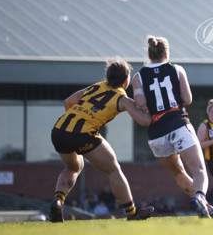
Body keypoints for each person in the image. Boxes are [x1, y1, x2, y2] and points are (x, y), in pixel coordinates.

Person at [49, 58, 154, 222]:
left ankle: (58, 201)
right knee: (113, 169)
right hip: (82, 134)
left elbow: (68, 101)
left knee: (74, 166)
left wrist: (75, 126)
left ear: (108, 76)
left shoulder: (97, 86)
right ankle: (132, 213)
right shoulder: (122, 98)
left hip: (59, 130)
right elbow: (144, 120)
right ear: (126, 80)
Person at [132, 35, 213, 218]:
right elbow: (187, 99)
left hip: (156, 134)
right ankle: (201, 197)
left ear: (149, 53)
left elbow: (139, 103)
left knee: (179, 172)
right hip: (178, 125)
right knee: (199, 170)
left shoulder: (138, 76)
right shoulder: (177, 69)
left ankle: (205, 206)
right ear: (166, 53)